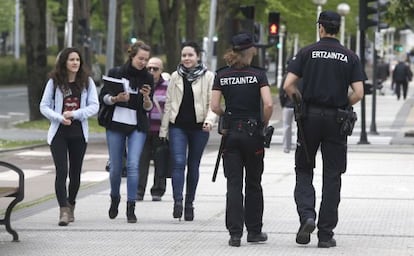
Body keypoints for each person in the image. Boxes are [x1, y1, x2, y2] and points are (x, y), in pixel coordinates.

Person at [283, 11, 364, 248]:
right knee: (332, 176)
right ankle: (326, 234)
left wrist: (301, 103)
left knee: (304, 169)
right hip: (336, 121)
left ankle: (307, 215)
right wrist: (341, 104)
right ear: (338, 29)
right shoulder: (350, 56)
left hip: (309, 119)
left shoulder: (306, 52)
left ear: (320, 28)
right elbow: (358, 92)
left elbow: (289, 85)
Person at [210, 32, 273, 247]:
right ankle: (254, 231)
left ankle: (235, 234)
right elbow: (268, 104)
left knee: (234, 185)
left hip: (231, 135)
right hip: (253, 134)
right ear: (250, 51)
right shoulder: (258, 75)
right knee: (254, 183)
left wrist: (227, 116)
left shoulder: (222, 75)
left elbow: (214, 106)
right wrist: (263, 124)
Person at [39, 47, 99, 226]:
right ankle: (63, 210)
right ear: (64, 62)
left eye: (78, 60)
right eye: (71, 60)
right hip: (59, 133)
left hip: (79, 133)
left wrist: (75, 114)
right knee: (62, 171)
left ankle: (71, 203)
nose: (75, 63)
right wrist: (59, 117)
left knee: (75, 173)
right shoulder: (54, 82)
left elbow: (94, 106)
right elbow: (44, 106)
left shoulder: (86, 82)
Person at [159, 41, 216, 221]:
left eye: (190, 55)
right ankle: (178, 201)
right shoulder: (175, 77)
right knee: (178, 162)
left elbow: (212, 104)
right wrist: (163, 130)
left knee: (193, 165)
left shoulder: (208, 77)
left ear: (198, 56)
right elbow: (168, 104)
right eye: (184, 55)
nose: (187, 58)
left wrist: (209, 121)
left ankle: (189, 203)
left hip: (200, 127)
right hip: (178, 126)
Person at [99, 40, 154, 223]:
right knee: (115, 167)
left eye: (146, 59)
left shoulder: (147, 78)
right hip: (115, 123)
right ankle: (115, 198)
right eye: (140, 58)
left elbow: (148, 107)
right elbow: (103, 98)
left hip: (137, 124)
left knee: (132, 165)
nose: (143, 63)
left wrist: (146, 98)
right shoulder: (116, 73)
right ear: (132, 56)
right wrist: (116, 98)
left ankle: (131, 206)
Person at [137, 57, 169, 201]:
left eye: (155, 69)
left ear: (161, 71)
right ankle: (139, 190)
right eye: (149, 68)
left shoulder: (168, 86)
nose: (151, 71)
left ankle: (158, 190)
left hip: (160, 130)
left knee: (161, 160)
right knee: (141, 161)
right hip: (143, 129)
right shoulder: (140, 84)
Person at [279, 67, 296, 154]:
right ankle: (298, 144)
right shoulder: (302, 76)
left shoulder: (286, 77)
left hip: (287, 105)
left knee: (286, 126)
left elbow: (281, 92)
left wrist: (283, 104)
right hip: (298, 105)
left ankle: (286, 146)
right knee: (298, 126)